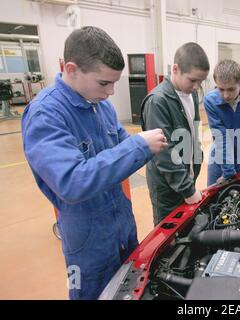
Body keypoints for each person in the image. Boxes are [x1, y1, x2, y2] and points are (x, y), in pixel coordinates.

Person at [21, 26, 167, 299]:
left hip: (122, 225)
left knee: (129, 289)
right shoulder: (46, 114)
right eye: (104, 83)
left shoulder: (101, 106)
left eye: (115, 83)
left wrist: (148, 146)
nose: (111, 92)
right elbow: (72, 182)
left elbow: (123, 147)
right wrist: (138, 146)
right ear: (72, 69)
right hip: (86, 240)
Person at [141, 42, 209, 225]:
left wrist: (197, 158)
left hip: (186, 177)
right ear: (176, 69)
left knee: (187, 227)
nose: (196, 87)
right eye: (192, 80)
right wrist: (187, 189)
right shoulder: (157, 102)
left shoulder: (191, 95)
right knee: (168, 233)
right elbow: (164, 154)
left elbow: (193, 131)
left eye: (201, 82)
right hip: (167, 188)